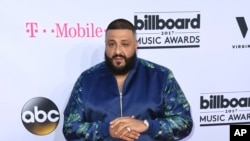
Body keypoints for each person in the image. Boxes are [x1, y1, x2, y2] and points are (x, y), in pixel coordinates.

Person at [63, 18, 193, 141]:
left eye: (125, 44)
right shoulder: (87, 80)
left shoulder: (161, 76)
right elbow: (70, 127)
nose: (117, 51)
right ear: (106, 45)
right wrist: (106, 130)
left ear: (136, 45)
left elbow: (184, 122)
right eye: (111, 44)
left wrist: (147, 126)